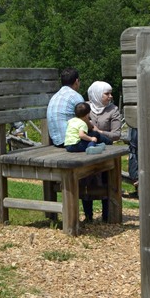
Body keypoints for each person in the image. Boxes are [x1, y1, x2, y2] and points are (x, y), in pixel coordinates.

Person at [82, 81, 122, 221]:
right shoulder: (85, 107)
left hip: (106, 152)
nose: (110, 96)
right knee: (86, 182)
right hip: (88, 151)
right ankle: (88, 216)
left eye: (110, 93)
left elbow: (116, 134)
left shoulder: (113, 110)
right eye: (107, 93)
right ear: (97, 94)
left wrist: (99, 132)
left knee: (106, 182)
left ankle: (106, 216)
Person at [47, 67, 84, 147]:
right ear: (77, 81)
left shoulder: (54, 96)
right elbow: (84, 120)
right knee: (98, 137)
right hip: (70, 141)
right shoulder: (75, 96)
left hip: (56, 142)